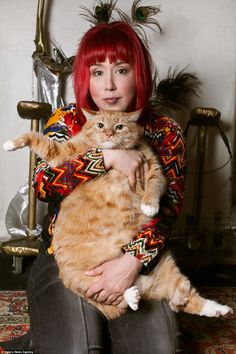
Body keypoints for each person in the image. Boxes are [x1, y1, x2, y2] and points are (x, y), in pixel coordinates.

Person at [5, 21, 186, 353]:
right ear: (86, 77)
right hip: (70, 257)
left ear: (140, 74)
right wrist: (107, 158)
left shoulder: (165, 131)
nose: (110, 85)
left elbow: (167, 213)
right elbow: (44, 185)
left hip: (135, 257)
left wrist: (131, 263)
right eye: (98, 72)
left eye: (121, 69)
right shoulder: (67, 119)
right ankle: (52, 326)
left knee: (158, 347)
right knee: (78, 346)